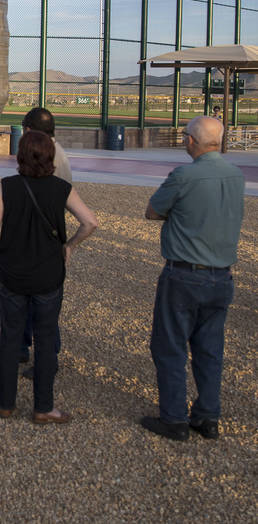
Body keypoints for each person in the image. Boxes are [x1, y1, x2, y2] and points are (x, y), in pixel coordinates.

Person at [140, 115, 244, 441]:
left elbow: (153, 210)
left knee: (170, 346)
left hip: (184, 274)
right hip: (221, 277)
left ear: (191, 141)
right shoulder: (236, 175)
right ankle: (207, 415)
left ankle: (173, 418)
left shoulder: (185, 176)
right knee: (210, 349)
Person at [0, 131, 97, 424]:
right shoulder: (62, 188)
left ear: (20, 156)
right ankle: (43, 407)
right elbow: (90, 222)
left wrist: (1, 255)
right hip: (48, 275)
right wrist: (69, 246)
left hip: (13, 275)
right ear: (50, 157)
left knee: (10, 338)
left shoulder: (6, 187)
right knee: (45, 340)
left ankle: (6, 404)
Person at [0, 106, 72, 369]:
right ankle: (25, 350)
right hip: (43, 243)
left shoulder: (46, 155)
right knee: (39, 303)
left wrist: (2, 252)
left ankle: (44, 357)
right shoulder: (57, 153)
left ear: (31, 131)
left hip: (33, 243)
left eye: (25, 129)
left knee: (38, 307)